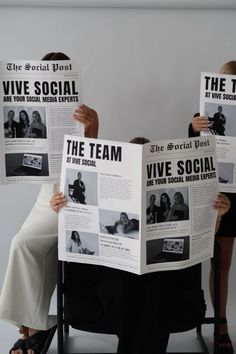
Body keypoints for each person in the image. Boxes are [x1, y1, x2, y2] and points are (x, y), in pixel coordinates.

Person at [51, 136, 231, 354]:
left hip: (158, 273)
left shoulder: (161, 208)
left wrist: (217, 215)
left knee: (157, 296)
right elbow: (77, 225)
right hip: (114, 273)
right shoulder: (114, 213)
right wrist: (60, 209)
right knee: (122, 293)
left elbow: (202, 236)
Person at [0, 52, 99, 354]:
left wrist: (92, 128)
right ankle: (35, 327)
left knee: (23, 245)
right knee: (26, 248)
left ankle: (32, 331)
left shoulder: (87, 114)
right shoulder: (28, 111)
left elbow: (91, 162)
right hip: (46, 198)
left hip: (69, 199)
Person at [189, 60, 236, 354]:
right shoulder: (203, 116)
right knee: (221, 262)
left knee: (223, 262)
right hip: (222, 195)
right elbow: (193, 152)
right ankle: (221, 325)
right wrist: (193, 129)